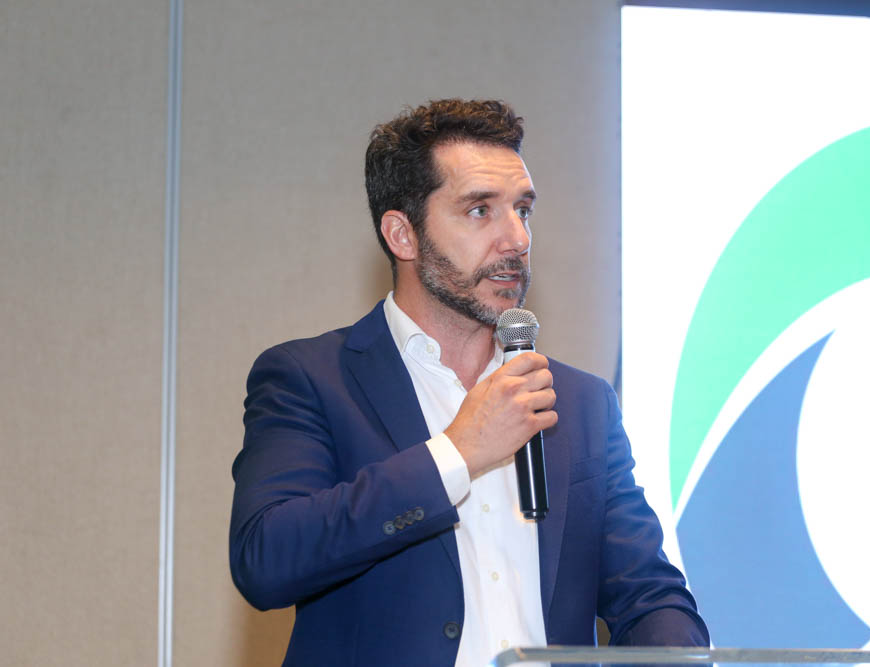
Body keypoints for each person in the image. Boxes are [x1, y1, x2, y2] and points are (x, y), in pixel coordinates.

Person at [229, 99, 709, 666]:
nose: (517, 239)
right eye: (481, 210)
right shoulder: (311, 378)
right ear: (402, 235)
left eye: (523, 210)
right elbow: (266, 560)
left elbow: (648, 594)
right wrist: (458, 453)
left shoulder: (582, 403)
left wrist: (675, 651)